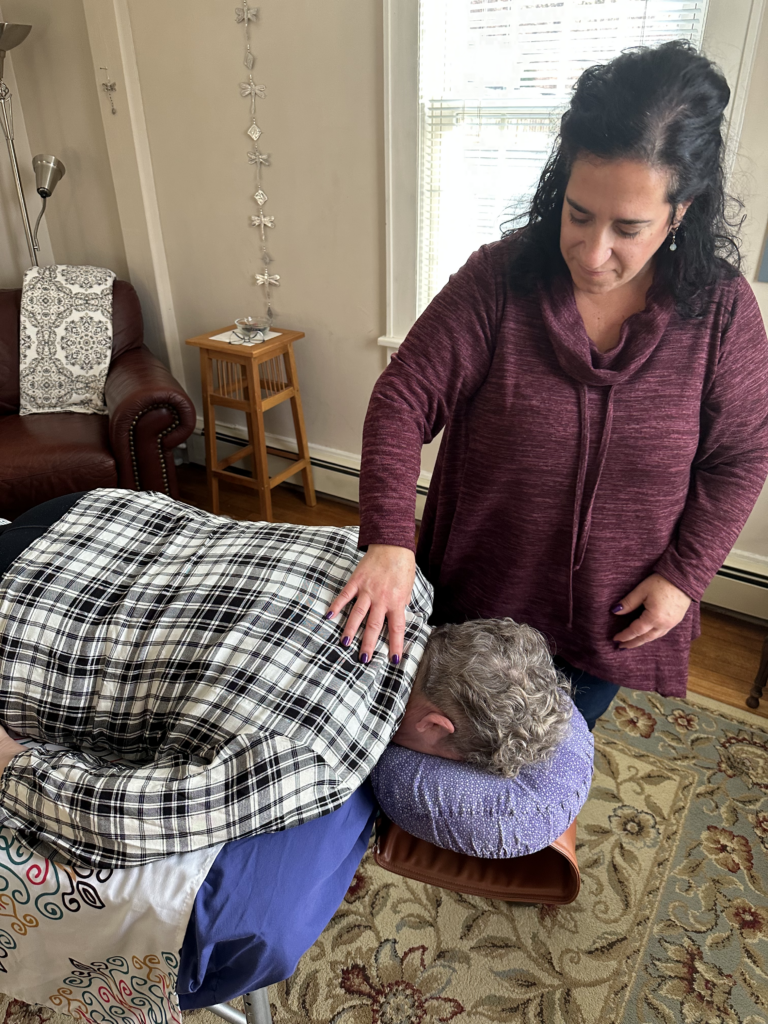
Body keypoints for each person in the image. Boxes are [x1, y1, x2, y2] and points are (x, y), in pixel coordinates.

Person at [328, 40, 768, 728]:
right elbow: (402, 398)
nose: (593, 253)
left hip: (614, 618)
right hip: (476, 604)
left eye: (629, 228)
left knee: (549, 759)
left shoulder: (722, 311)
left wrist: (685, 576)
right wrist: (389, 538)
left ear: (681, 211)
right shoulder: (498, 280)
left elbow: (739, 457)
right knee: (450, 757)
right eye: (579, 213)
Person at [0, 489, 572, 869]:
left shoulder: (399, 574)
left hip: (93, 516)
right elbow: (126, 822)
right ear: (437, 726)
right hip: (20, 621)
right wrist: (12, 764)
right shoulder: (319, 761)